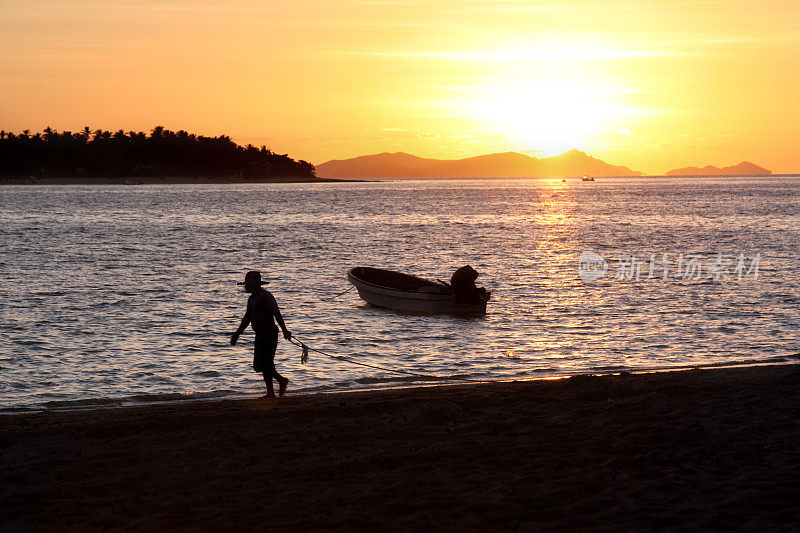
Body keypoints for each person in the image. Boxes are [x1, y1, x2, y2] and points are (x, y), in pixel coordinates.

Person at [230, 271, 292, 398]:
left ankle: (278, 383)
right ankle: (274, 388)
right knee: (261, 365)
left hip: (269, 333)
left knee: (266, 363)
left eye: (247, 284)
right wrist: (237, 334)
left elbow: (277, 313)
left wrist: (285, 330)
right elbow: (247, 318)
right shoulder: (252, 299)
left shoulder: (266, 296)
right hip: (259, 334)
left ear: (254, 285)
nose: (245, 287)